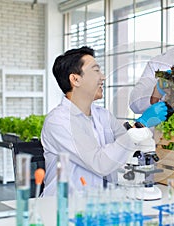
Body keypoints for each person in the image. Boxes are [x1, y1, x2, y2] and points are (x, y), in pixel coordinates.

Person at [41, 46, 167, 196]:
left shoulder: (103, 115)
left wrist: (142, 123)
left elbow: (126, 145)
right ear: (75, 79)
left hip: (98, 203)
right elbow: (100, 163)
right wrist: (142, 124)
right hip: (62, 208)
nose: (103, 77)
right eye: (95, 71)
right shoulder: (58, 121)